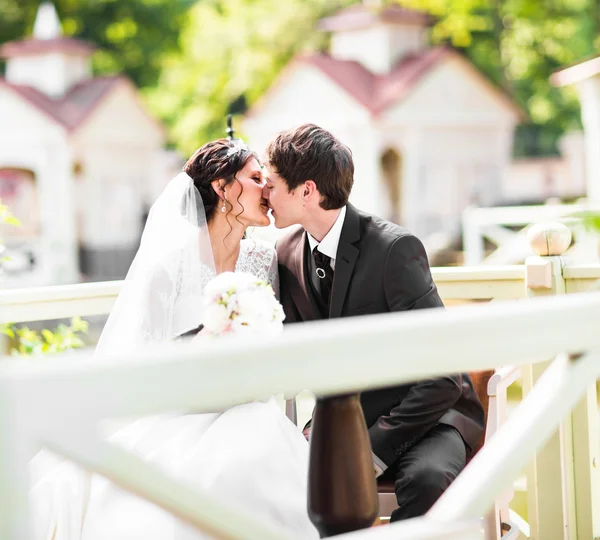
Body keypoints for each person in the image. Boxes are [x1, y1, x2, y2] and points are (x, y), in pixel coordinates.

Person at [29, 138, 318, 540]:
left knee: (257, 439)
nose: (266, 189)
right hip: (177, 414)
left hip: (249, 405)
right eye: (255, 178)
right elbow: (140, 364)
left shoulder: (266, 260)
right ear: (222, 188)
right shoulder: (168, 268)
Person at [264, 123, 485, 522]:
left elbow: (443, 378)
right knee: (279, 482)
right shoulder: (285, 253)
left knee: (427, 482)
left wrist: (372, 450)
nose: (266, 193)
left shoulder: (394, 250)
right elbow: (291, 356)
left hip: (429, 419)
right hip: (345, 421)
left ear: (307, 191)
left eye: (273, 184)